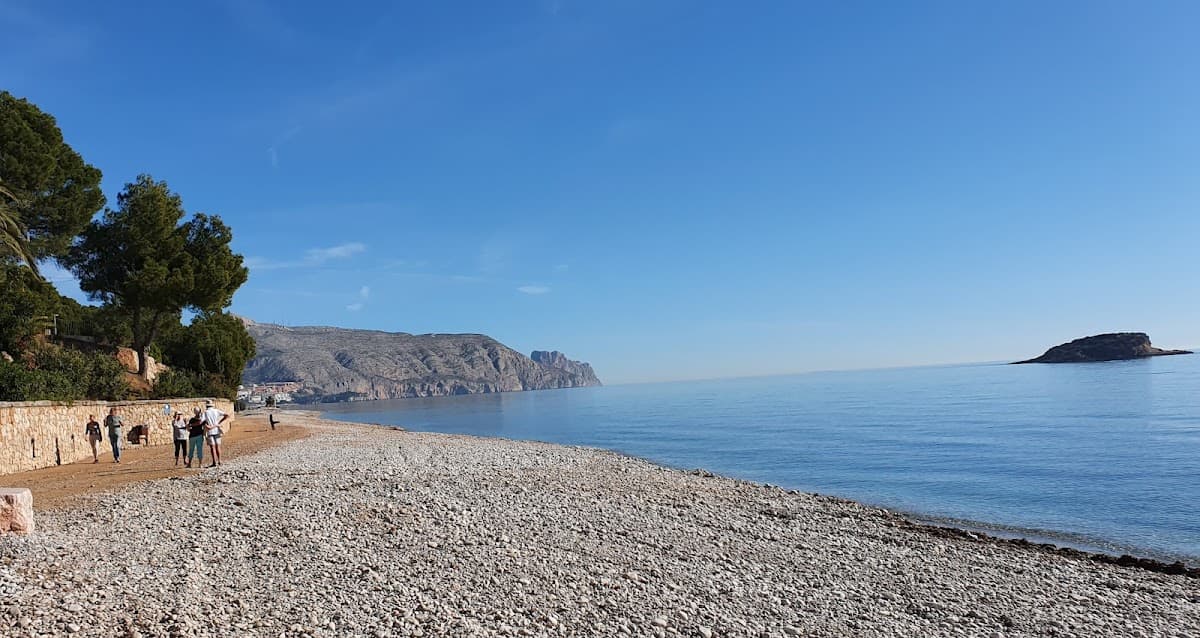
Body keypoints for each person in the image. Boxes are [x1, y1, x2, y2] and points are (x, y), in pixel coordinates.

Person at [202, 400, 230, 468]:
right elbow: (227, 415)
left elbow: (201, 421)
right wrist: (219, 422)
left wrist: (206, 425)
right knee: (218, 446)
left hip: (210, 431)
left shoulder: (205, 412)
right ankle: (220, 460)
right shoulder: (216, 411)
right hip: (217, 430)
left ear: (206, 406)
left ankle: (214, 462)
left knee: (212, 447)